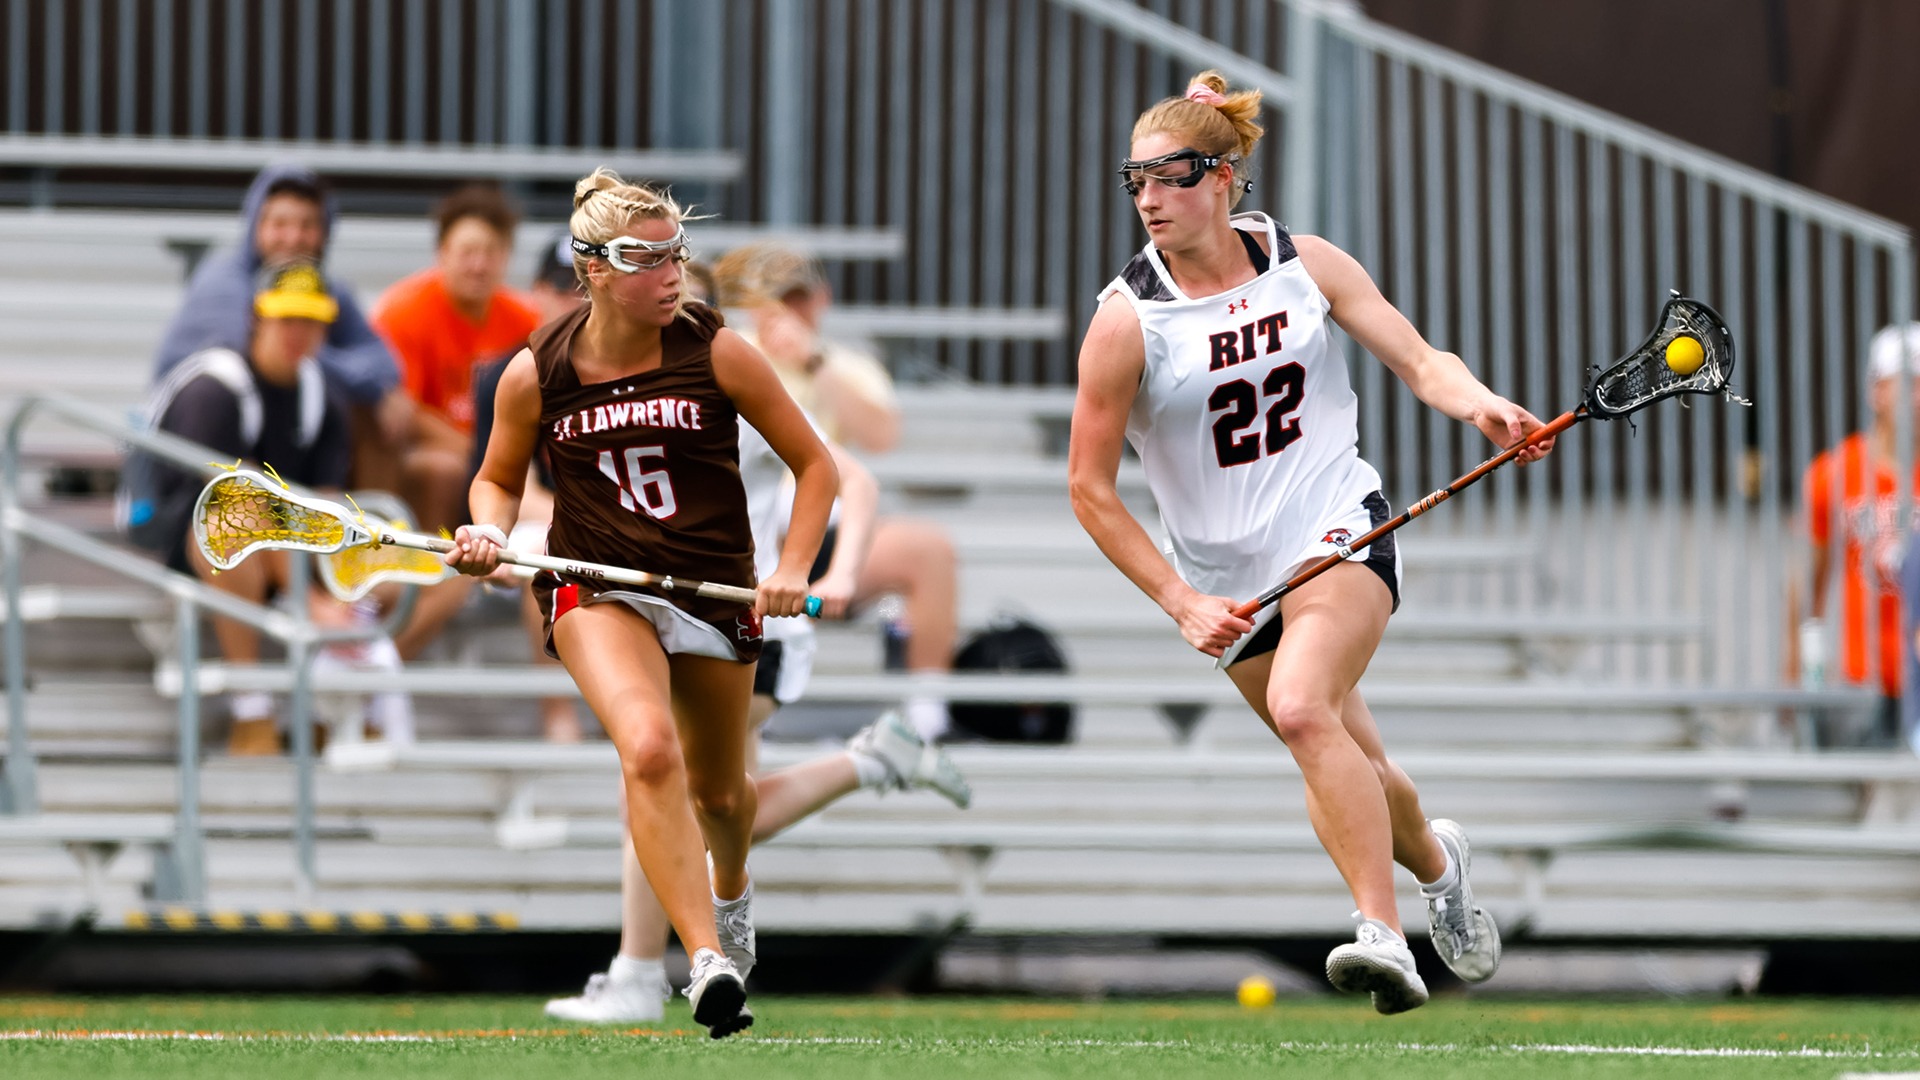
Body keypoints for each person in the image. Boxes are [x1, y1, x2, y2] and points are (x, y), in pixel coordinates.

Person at [1068, 72, 1554, 1013]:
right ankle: (1439, 864)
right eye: (1136, 182)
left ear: (1224, 177)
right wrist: (1181, 598)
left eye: (1168, 179)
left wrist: (1483, 404)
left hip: (1335, 518)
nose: (1148, 201)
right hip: (1227, 575)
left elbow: (1417, 359)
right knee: (1359, 767)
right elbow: (1088, 490)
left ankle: (1383, 936)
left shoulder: (1306, 263)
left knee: (1300, 708)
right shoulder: (1127, 320)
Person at [446, 168, 837, 1038]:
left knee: (724, 797)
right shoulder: (534, 372)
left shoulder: (718, 350)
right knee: (648, 748)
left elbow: (819, 468)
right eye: (646, 259)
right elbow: (495, 481)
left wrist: (797, 566)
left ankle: (730, 902)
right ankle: (703, 961)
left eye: (677, 256)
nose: (672, 275)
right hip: (597, 584)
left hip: (709, 585)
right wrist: (487, 534)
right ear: (592, 268)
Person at [544, 395, 973, 1026]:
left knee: (664, 792)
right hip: (677, 624)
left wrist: (842, 573)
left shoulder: (726, 386)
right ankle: (873, 760)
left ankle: (637, 974)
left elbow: (853, 478)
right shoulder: (613, 396)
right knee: (716, 807)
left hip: (745, 629)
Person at [713, 245, 959, 740]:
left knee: (929, 551)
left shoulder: (845, 365)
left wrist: (815, 363)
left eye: (797, 297)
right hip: (749, 530)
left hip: (824, 527)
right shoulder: (729, 351)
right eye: (774, 297)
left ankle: (928, 713)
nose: (785, 309)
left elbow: (881, 437)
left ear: (821, 300)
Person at [133, 261, 357, 755]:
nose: (299, 333)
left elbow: (326, 497)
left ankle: (340, 701)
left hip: (283, 543)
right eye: (287, 318)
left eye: (311, 321)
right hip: (184, 535)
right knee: (238, 521)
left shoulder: (323, 396)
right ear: (258, 317)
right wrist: (313, 595)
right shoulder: (214, 387)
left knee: (369, 539)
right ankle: (251, 708)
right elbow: (230, 495)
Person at [149, 165, 405, 493]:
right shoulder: (223, 281)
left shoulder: (321, 286)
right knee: (239, 508)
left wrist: (380, 388)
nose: (294, 238)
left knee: (386, 409)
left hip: (283, 431)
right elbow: (262, 354)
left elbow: (381, 359)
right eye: (280, 224)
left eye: (308, 225)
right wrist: (360, 380)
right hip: (198, 441)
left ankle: (372, 534)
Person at [372, 184, 543, 534]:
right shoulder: (404, 311)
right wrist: (478, 451)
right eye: (468, 252)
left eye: (491, 252)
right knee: (443, 469)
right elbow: (407, 409)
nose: (479, 265)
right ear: (443, 252)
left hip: (496, 450)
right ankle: (436, 574)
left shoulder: (524, 320)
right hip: (427, 454)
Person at [1796, 322, 1920, 748]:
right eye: (1908, 384)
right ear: (1876, 391)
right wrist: (1797, 665)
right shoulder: (1835, 472)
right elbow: (1808, 578)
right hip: (1863, 676)